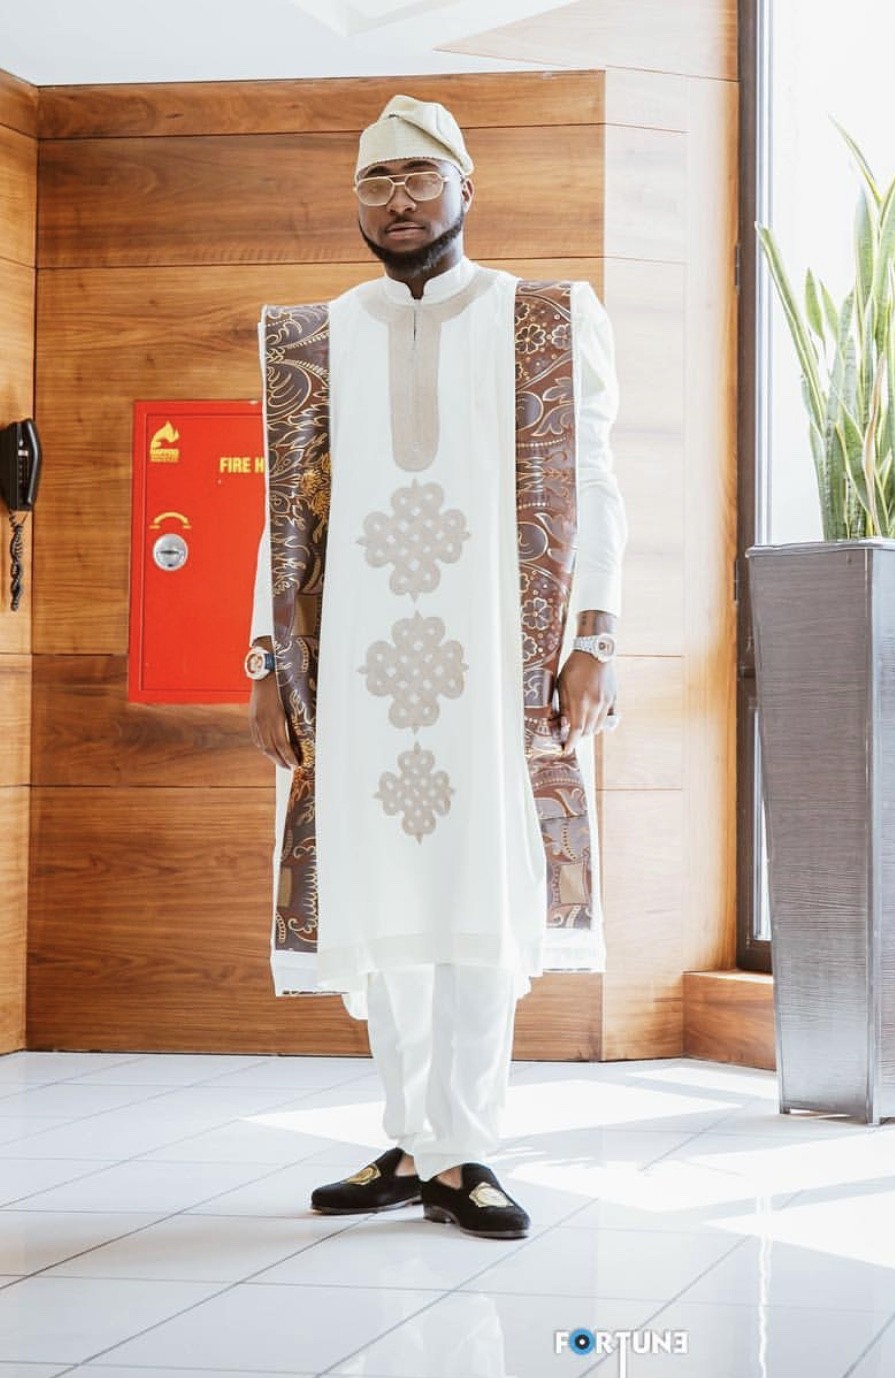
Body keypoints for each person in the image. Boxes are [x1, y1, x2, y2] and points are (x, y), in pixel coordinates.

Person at [245, 95, 626, 1240]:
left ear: (468, 188)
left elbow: (597, 482)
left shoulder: (543, 317)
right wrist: (265, 660)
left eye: (419, 176)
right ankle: (414, 1140)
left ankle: (468, 1148)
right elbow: (286, 514)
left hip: (494, 665)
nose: (398, 200)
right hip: (363, 667)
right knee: (382, 892)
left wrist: (595, 638)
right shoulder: (320, 333)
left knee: (478, 895)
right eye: (376, 181)